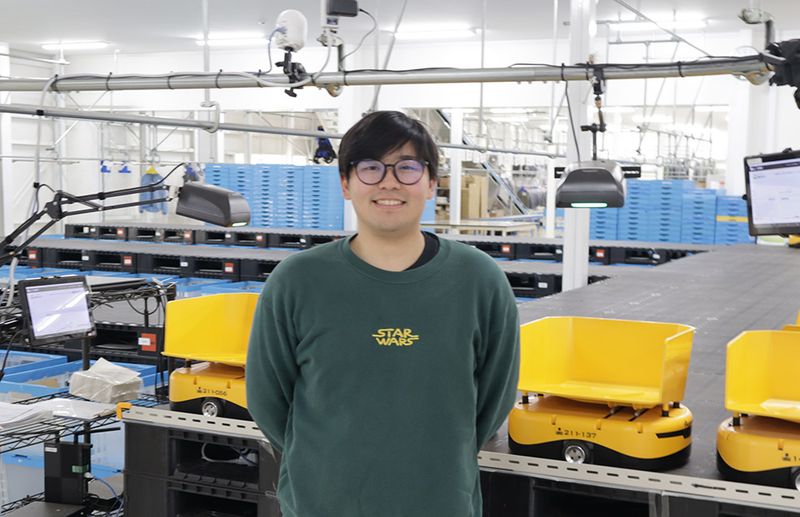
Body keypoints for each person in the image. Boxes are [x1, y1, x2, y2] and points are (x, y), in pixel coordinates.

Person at [246, 110, 519, 517]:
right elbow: (268, 400)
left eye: (407, 167)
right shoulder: (297, 281)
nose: (389, 182)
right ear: (346, 183)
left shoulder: (479, 280)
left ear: (431, 183)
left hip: (440, 503)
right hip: (323, 504)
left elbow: (494, 398)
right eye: (370, 167)